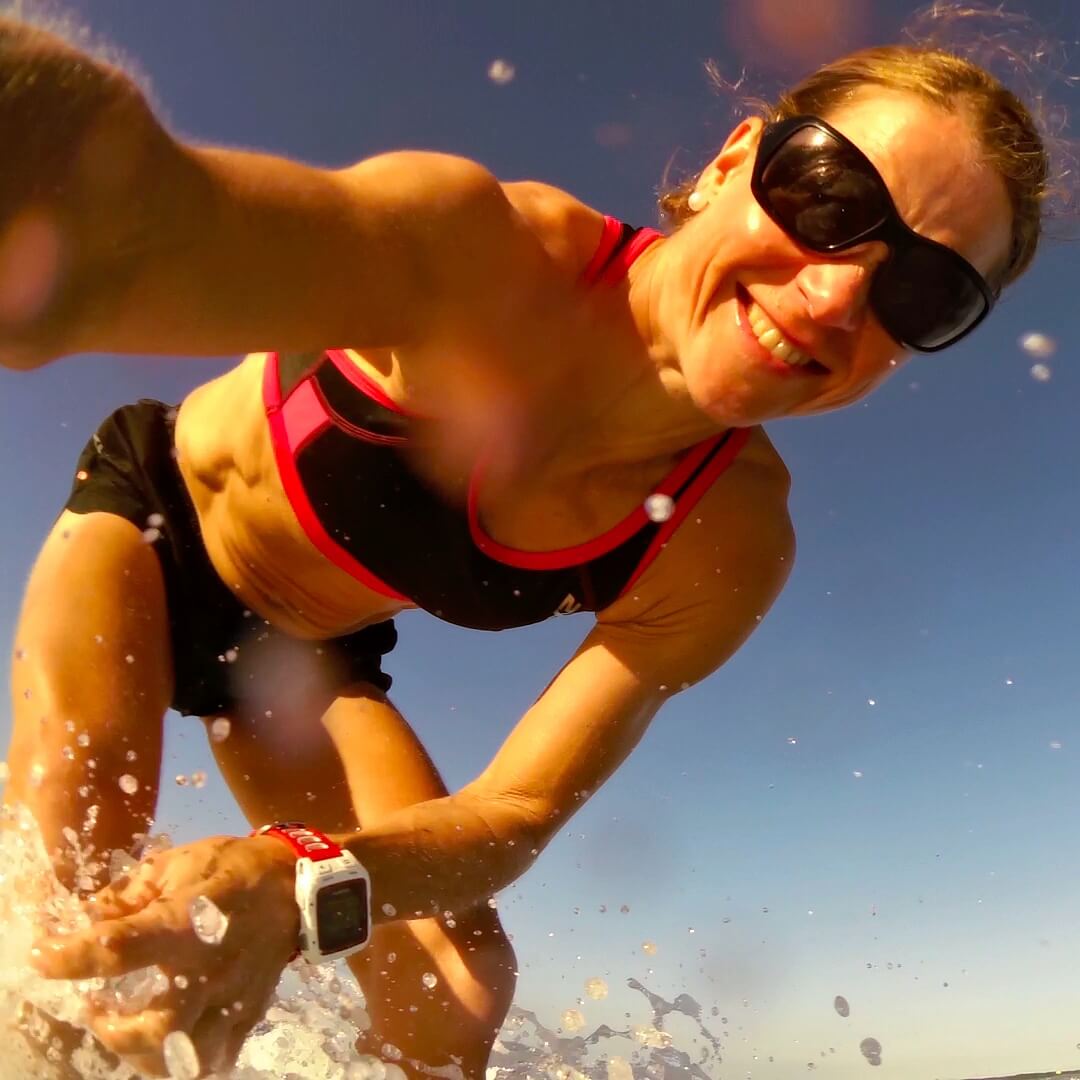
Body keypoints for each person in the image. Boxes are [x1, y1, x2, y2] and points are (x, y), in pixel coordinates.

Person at [0, 11, 1048, 1079]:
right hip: (154, 532)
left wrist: (293, 878)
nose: (835, 296)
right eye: (829, 196)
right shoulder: (486, 257)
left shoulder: (725, 533)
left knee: (454, 999)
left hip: (304, 663)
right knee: (78, 886)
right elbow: (130, 229)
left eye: (925, 292)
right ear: (738, 158)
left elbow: (517, 807)